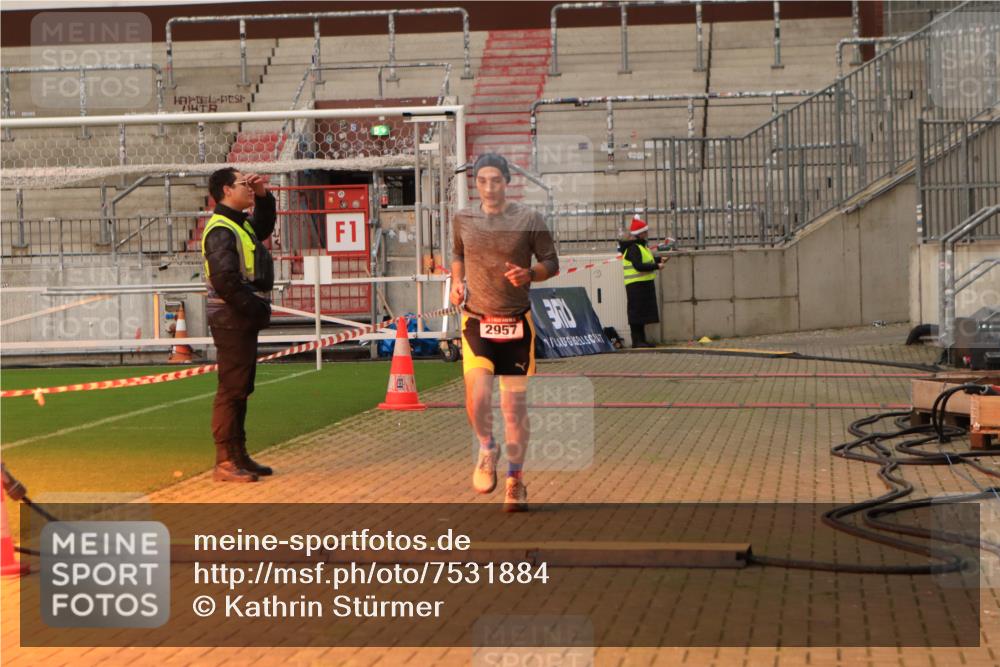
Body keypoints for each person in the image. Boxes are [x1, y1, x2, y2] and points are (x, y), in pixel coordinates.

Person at [450, 153, 559, 512]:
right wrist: (456, 282)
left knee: (513, 409)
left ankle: (515, 480)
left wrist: (530, 275)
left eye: (495, 180)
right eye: (482, 180)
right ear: (475, 184)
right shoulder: (463, 219)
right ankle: (486, 447)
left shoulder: (529, 219)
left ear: (507, 182)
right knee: (477, 398)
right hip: (477, 320)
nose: (489, 187)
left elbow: (551, 263)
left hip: (515, 322)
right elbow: (458, 255)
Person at [202, 168, 276, 482]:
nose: (249, 187)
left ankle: (238, 454)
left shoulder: (237, 223)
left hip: (239, 315)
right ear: (226, 190)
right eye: (244, 184)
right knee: (232, 389)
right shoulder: (221, 229)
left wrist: (262, 195)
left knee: (241, 388)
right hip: (232, 316)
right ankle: (225, 461)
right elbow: (225, 281)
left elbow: (263, 226)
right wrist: (255, 309)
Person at [619, 214, 666, 348]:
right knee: (637, 314)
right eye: (644, 231)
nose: (647, 233)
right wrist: (657, 266)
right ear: (639, 234)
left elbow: (646, 261)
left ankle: (641, 340)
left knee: (641, 313)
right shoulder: (634, 248)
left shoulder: (640, 246)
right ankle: (637, 341)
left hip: (642, 284)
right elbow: (638, 266)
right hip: (636, 286)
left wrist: (658, 260)